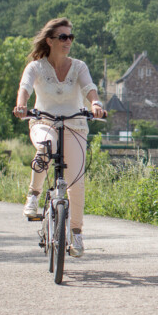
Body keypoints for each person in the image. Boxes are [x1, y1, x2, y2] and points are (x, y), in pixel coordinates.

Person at [12, 17, 106, 258]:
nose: (68, 41)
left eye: (70, 37)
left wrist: (95, 103)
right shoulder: (36, 67)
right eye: (63, 37)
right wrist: (21, 105)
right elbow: (25, 87)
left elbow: (88, 88)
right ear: (50, 41)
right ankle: (33, 196)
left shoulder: (79, 66)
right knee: (46, 145)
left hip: (75, 125)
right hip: (43, 122)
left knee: (76, 182)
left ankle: (76, 233)